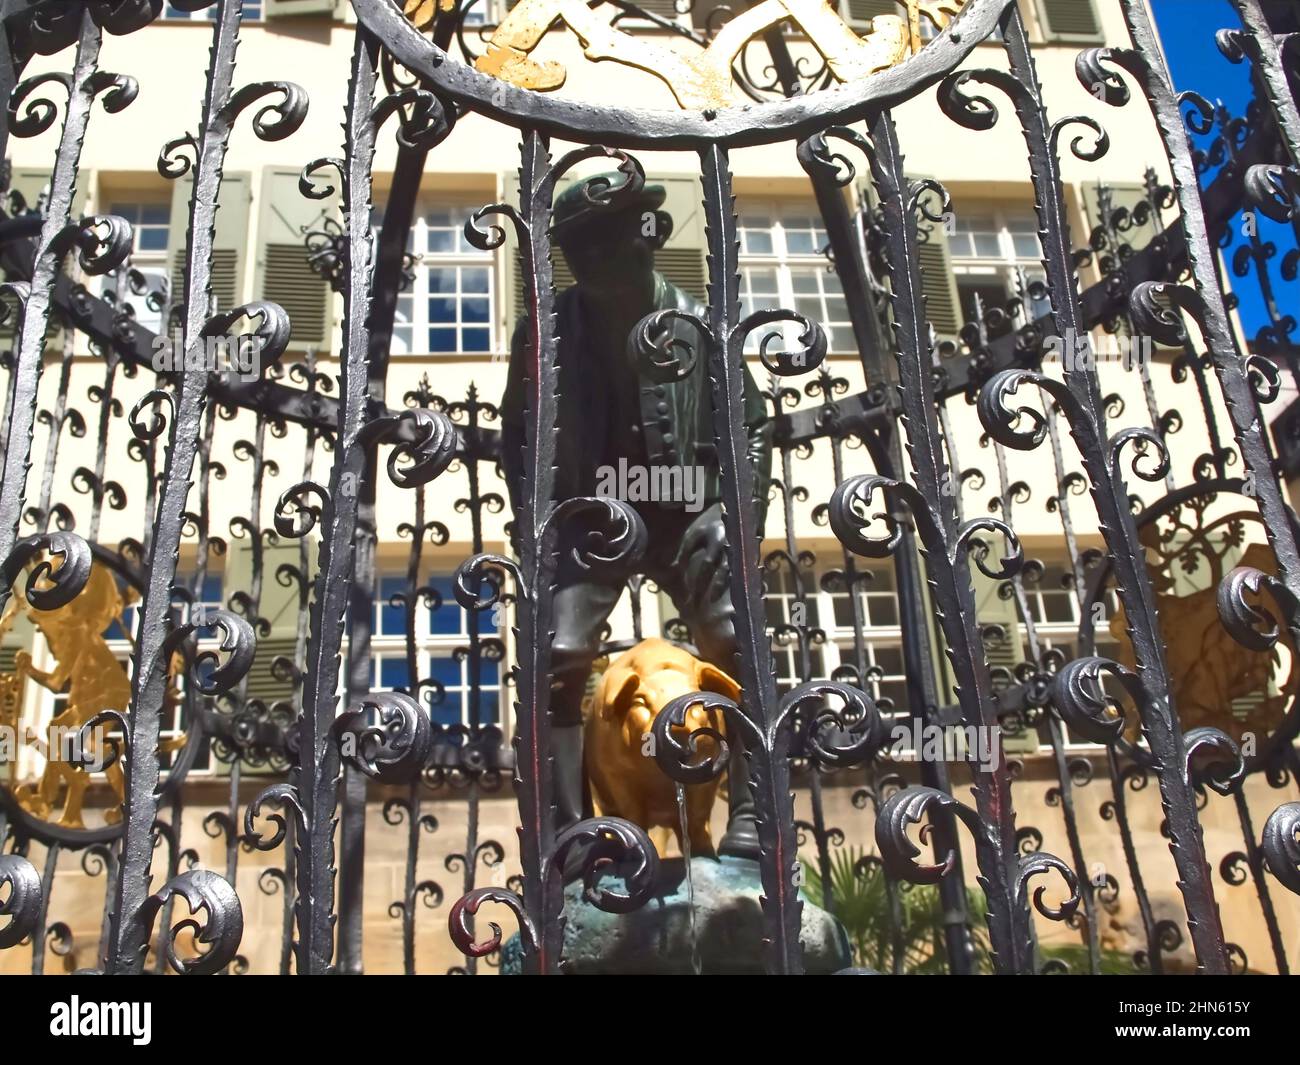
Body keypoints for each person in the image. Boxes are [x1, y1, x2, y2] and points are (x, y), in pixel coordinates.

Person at [500, 173, 773, 858]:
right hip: (595, 515)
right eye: (578, 247)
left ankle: (751, 815)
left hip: (689, 509)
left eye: (608, 239)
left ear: (648, 235)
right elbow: (515, 436)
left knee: (736, 644)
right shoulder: (547, 331)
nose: (593, 259)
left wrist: (736, 518)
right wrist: (539, 526)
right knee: (557, 654)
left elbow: (754, 424)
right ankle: (571, 829)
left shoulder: (700, 325)